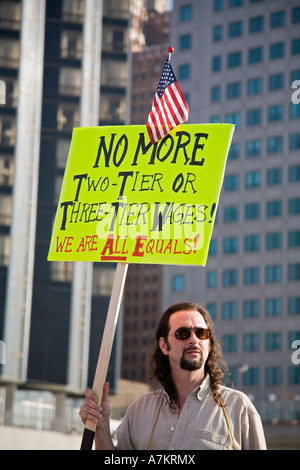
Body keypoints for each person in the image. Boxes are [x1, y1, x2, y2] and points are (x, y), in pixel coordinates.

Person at [79, 302, 266, 450]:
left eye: (202, 333)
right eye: (182, 333)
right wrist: (101, 425)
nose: (194, 339)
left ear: (209, 344)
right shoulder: (138, 411)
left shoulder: (238, 408)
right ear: (164, 345)